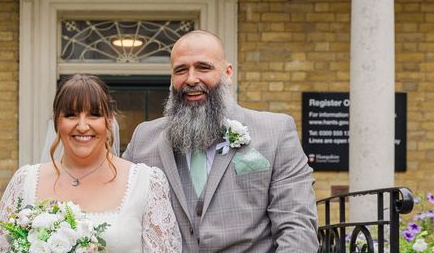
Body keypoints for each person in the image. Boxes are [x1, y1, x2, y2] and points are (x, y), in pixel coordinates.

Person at [123, 30, 319, 252]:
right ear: (171, 79)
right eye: (181, 70)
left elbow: (297, 229)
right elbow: (119, 215)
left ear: (227, 73)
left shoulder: (276, 132)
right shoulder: (143, 139)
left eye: (203, 67)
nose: (191, 79)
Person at [0, 74, 182, 253]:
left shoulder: (146, 182)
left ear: (109, 121)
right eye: (71, 115)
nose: (83, 126)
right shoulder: (25, 182)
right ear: (56, 122)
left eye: (94, 115)